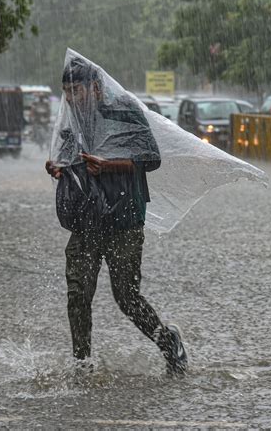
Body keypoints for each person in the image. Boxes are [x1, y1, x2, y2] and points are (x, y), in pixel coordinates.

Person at [46, 57, 188, 375]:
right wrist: (57, 168)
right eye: (66, 92)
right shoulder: (72, 120)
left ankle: (169, 343)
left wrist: (108, 165)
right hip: (86, 217)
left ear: (96, 88)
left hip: (124, 218)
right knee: (78, 292)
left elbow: (151, 159)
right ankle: (82, 364)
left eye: (77, 90)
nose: (71, 98)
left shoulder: (124, 111)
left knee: (125, 296)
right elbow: (68, 158)